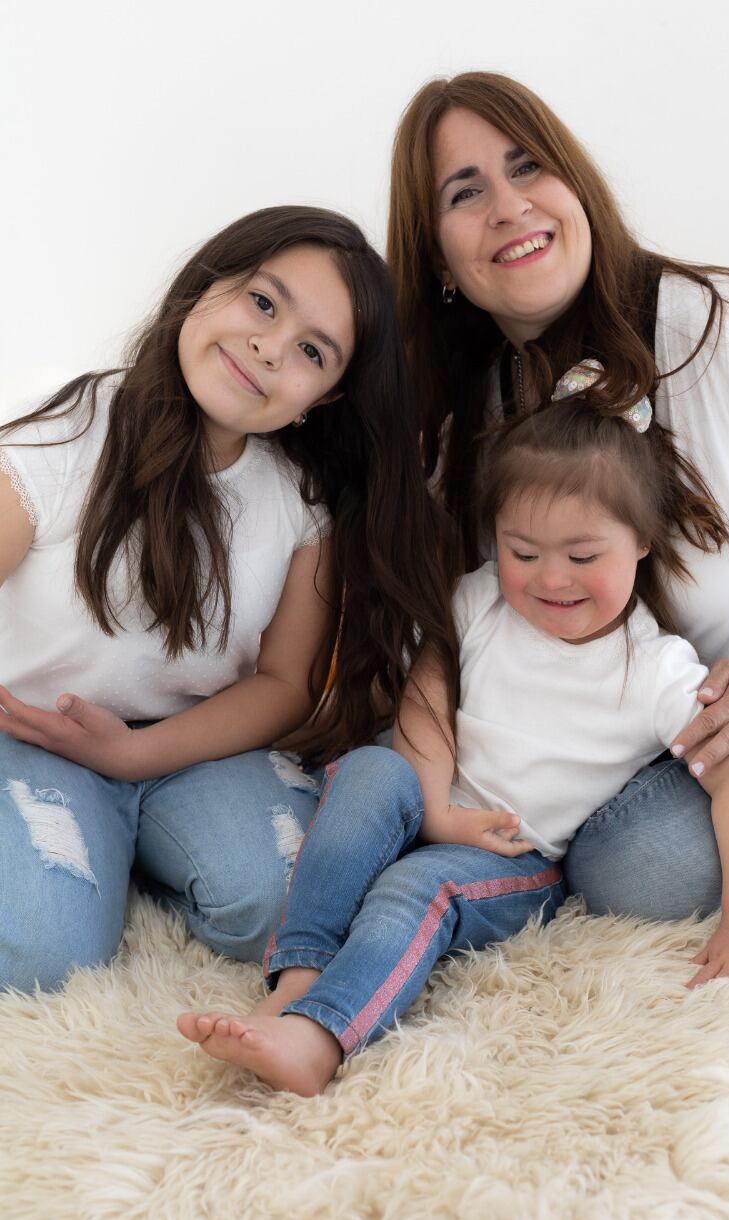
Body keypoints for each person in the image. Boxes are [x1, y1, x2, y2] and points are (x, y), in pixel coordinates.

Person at [177, 386, 729, 1096]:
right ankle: (300, 973)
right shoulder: (480, 600)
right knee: (371, 767)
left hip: (516, 860)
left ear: (641, 542)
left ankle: (321, 1036)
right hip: (428, 805)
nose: (551, 579)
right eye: (522, 551)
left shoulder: (654, 670)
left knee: (416, 885)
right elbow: (427, 700)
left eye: (584, 556)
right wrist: (432, 806)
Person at [385, 70, 729, 920]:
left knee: (637, 866)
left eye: (528, 167)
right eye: (465, 191)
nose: (508, 206)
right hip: (654, 748)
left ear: (577, 184)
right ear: (438, 259)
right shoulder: (473, 416)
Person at [0, 205, 457, 994]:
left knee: (295, 906)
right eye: (263, 303)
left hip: (196, 748)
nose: (269, 348)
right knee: (43, 952)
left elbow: (283, 684)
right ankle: (88, 841)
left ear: (325, 397)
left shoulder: (298, 501)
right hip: (37, 732)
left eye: (311, 351)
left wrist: (136, 755)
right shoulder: (67, 435)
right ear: (206, 286)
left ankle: (140, 835)